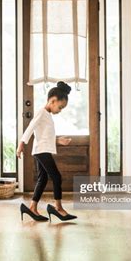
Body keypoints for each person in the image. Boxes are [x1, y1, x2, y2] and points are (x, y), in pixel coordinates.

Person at [17, 81, 77, 222]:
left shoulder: (47, 115)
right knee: (56, 177)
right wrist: (21, 144)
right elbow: (30, 128)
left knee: (43, 179)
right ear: (53, 100)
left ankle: (32, 207)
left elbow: (44, 135)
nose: (60, 110)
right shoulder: (41, 113)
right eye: (60, 107)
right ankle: (58, 208)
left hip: (42, 149)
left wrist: (58, 140)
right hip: (41, 151)